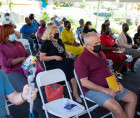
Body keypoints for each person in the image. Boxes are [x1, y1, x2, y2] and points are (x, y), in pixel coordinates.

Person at [74, 32, 137, 118]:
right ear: (88, 45)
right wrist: (105, 90)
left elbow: (108, 70)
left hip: (109, 84)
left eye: (99, 42)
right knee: (117, 108)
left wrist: (117, 82)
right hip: (92, 90)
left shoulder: (100, 53)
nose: (99, 45)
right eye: (96, 44)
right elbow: (84, 83)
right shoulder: (81, 60)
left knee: (132, 98)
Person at [0, 24, 45, 117]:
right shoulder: (1, 47)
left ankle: (46, 106)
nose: (14, 34)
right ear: (6, 34)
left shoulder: (18, 43)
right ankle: (43, 113)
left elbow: (27, 55)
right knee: (30, 90)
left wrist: (31, 59)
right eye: (12, 32)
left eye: (14, 31)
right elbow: (5, 63)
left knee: (39, 86)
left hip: (25, 69)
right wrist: (21, 59)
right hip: (11, 73)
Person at [40, 25, 82, 103]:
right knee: (70, 64)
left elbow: (63, 50)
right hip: (53, 65)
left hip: (63, 62)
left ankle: (75, 92)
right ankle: (75, 92)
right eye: (55, 32)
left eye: (58, 32)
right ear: (49, 34)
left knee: (70, 67)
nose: (57, 33)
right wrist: (54, 57)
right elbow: (42, 58)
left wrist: (67, 53)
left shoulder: (59, 40)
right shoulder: (46, 43)